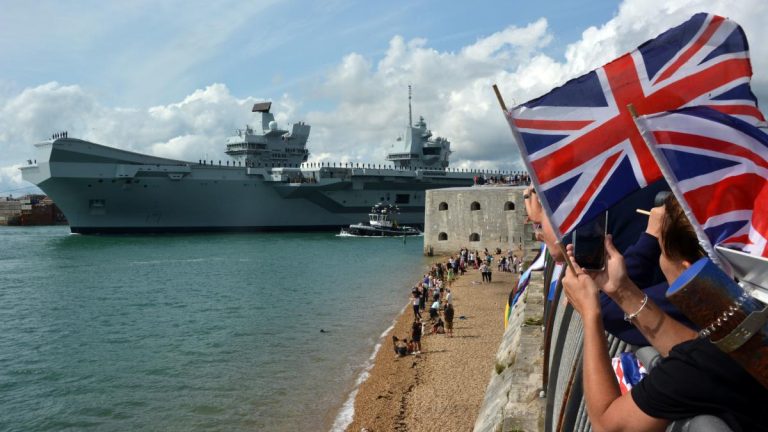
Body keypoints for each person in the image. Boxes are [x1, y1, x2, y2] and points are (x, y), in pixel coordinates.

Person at [560, 196, 768, 431]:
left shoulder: (704, 366)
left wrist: (590, 314)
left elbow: (608, 424)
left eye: (661, 250)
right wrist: (621, 291)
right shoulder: (746, 328)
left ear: (687, 269)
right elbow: (692, 348)